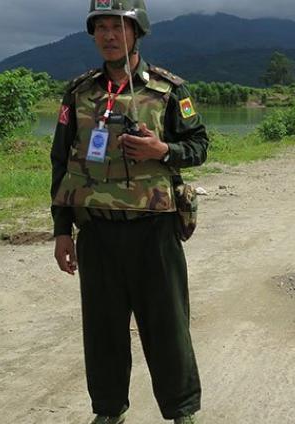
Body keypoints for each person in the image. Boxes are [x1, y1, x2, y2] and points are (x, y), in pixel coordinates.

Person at [50, 1, 207, 423]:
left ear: (137, 33)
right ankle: (108, 411)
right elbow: (61, 161)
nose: (108, 35)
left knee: (168, 329)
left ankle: (182, 412)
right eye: (100, 27)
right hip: (97, 233)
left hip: (154, 231)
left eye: (117, 27)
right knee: (102, 332)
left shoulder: (168, 90)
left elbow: (199, 147)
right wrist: (62, 230)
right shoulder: (79, 92)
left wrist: (163, 150)